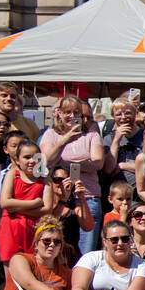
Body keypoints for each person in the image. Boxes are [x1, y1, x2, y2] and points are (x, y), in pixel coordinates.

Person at [39, 96, 103, 255]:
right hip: (58, 199)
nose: (72, 117)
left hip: (88, 197)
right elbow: (45, 162)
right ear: (59, 113)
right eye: (67, 112)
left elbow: (98, 163)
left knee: (85, 253)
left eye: (76, 113)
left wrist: (65, 163)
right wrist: (65, 140)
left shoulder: (91, 135)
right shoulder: (50, 134)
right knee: (56, 249)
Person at [0, 138, 53, 266]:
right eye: (27, 157)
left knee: (34, 267)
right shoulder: (12, 174)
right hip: (11, 229)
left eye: (36, 157)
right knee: (11, 269)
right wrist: (34, 203)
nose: (32, 161)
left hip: (35, 229)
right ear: (17, 160)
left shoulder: (45, 180)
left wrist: (15, 207)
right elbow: (5, 203)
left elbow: (47, 209)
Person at [45, 165, 94, 263]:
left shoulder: (75, 209)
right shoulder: (46, 206)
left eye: (66, 180)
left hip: (70, 257)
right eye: (58, 180)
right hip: (50, 255)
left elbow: (88, 227)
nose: (62, 184)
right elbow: (50, 222)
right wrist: (63, 199)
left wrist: (82, 198)